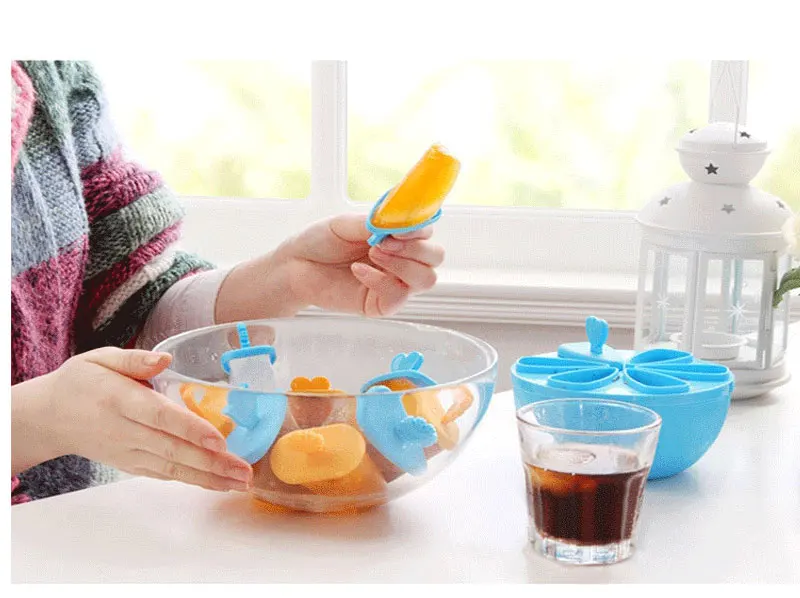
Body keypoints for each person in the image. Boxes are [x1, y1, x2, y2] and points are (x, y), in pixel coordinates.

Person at [10, 60, 444, 504]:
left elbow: (127, 302)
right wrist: (38, 419)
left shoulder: (49, 68)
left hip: (72, 520)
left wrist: (285, 279)